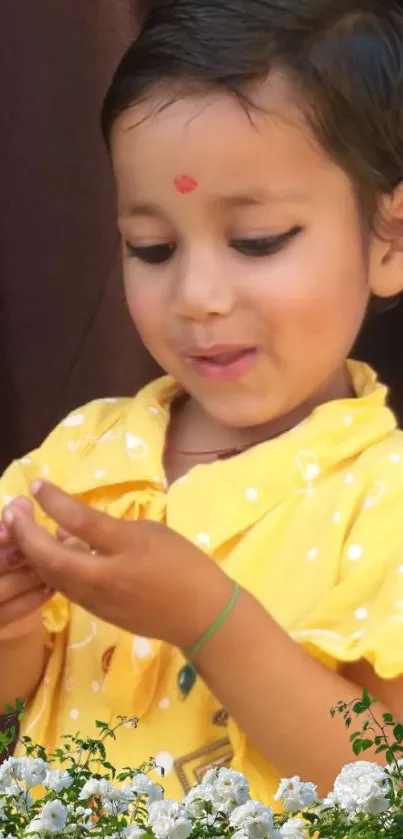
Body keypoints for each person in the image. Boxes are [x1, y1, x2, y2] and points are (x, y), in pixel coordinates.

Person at [1, 0, 403, 806]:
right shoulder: (78, 457)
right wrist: (9, 626)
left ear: (388, 240)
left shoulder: (382, 500)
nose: (197, 295)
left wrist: (210, 621)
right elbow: (16, 704)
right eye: (151, 247)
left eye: (257, 240)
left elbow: (380, 782)